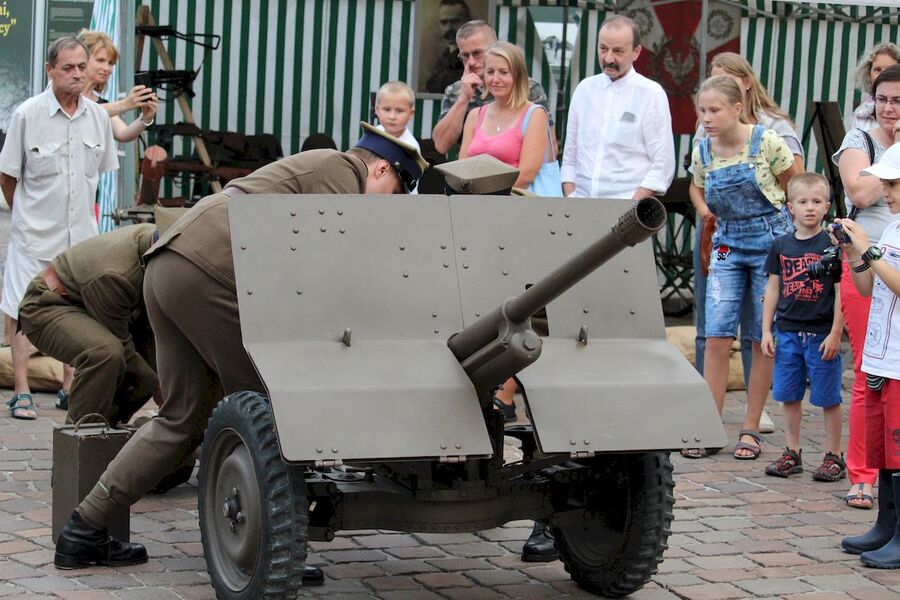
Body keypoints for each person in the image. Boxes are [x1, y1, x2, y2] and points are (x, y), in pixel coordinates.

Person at [53, 124, 426, 584]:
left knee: (179, 419)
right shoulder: (341, 168)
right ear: (383, 168)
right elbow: (330, 264)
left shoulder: (312, 168)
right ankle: (275, 547)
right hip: (211, 265)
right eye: (394, 191)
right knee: (272, 410)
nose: (386, 205)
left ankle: (82, 528)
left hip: (170, 263)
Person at [457, 40, 557, 563]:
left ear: (516, 73)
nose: (493, 78)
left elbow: (528, 169)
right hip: (475, 222)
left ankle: (512, 387)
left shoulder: (533, 114)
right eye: (487, 70)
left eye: (501, 71)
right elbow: (458, 165)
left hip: (517, 219)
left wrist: (484, 189)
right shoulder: (476, 114)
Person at [0, 37, 117, 421]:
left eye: (82, 67)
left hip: (79, 237)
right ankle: (21, 390)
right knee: (21, 310)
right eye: (68, 68)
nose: (77, 74)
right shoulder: (27, 115)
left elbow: (99, 175)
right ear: (49, 70)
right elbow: (7, 174)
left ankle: (69, 387)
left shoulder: (98, 117)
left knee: (76, 311)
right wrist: (22, 217)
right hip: (33, 235)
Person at [691, 52, 806, 435]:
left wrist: (794, 236)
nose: (706, 119)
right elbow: (697, 184)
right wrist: (705, 210)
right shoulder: (703, 149)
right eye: (702, 111)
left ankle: (751, 425)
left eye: (714, 111)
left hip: (769, 244)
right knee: (718, 332)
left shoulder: (766, 141)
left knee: (760, 335)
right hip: (726, 244)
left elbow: (797, 183)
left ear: (737, 108)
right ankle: (709, 424)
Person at [834, 64, 900, 508]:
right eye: (883, 99)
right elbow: (859, 195)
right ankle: (871, 492)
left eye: (899, 100)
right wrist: (859, 251)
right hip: (871, 257)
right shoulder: (859, 137)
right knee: (868, 383)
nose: (889, 108)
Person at [17, 224, 160, 426]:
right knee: (104, 354)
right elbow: (123, 347)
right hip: (47, 304)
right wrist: (158, 386)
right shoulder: (117, 274)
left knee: (150, 365)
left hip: (89, 304)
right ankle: (80, 437)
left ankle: (109, 427)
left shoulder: (158, 239)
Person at [761, 173, 845, 481]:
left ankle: (834, 454)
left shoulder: (833, 246)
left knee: (827, 397)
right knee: (788, 394)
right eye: (803, 201)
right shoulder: (780, 246)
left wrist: (837, 331)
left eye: (817, 201)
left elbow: (841, 291)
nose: (810, 208)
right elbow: (772, 288)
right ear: (790, 207)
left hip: (822, 334)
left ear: (826, 207)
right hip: (787, 332)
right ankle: (791, 451)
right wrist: (767, 329)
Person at [560, 14, 675, 200]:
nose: (608, 58)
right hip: (580, 206)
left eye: (618, 51)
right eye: (603, 49)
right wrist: (571, 194)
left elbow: (663, 162)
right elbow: (571, 153)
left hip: (628, 210)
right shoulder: (584, 89)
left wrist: (633, 206)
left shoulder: (651, 94)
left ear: (636, 52)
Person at [431, 20, 553, 156]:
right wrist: (463, 99)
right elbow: (441, 145)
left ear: (495, 49)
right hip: (471, 172)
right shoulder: (456, 91)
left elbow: (549, 145)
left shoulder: (526, 87)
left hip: (516, 171)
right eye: (465, 56)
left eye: (477, 53)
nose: (471, 62)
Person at [78, 30, 157, 143]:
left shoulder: (101, 103)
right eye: (100, 60)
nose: (106, 68)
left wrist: (145, 117)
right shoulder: (66, 93)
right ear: (81, 59)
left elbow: (123, 134)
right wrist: (125, 104)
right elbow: (80, 112)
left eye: (111, 63)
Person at [374, 81, 421, 194]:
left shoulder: (410, 148)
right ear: (377, 110)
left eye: (399, 111)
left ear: (411, 114)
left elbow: (410, 186)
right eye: (387, 109)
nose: (392, 116)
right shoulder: (372, 134)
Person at [849, 43, 900, 132]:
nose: (882, 75)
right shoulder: (860, 115)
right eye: (878, 70)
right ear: (869, 73)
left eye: (889, 70)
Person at [426, 0, 471, 94]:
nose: (448, 28)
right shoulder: (445, 56)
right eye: (443, 22)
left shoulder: (471, 58)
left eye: (454, 21)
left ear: (468, 22)